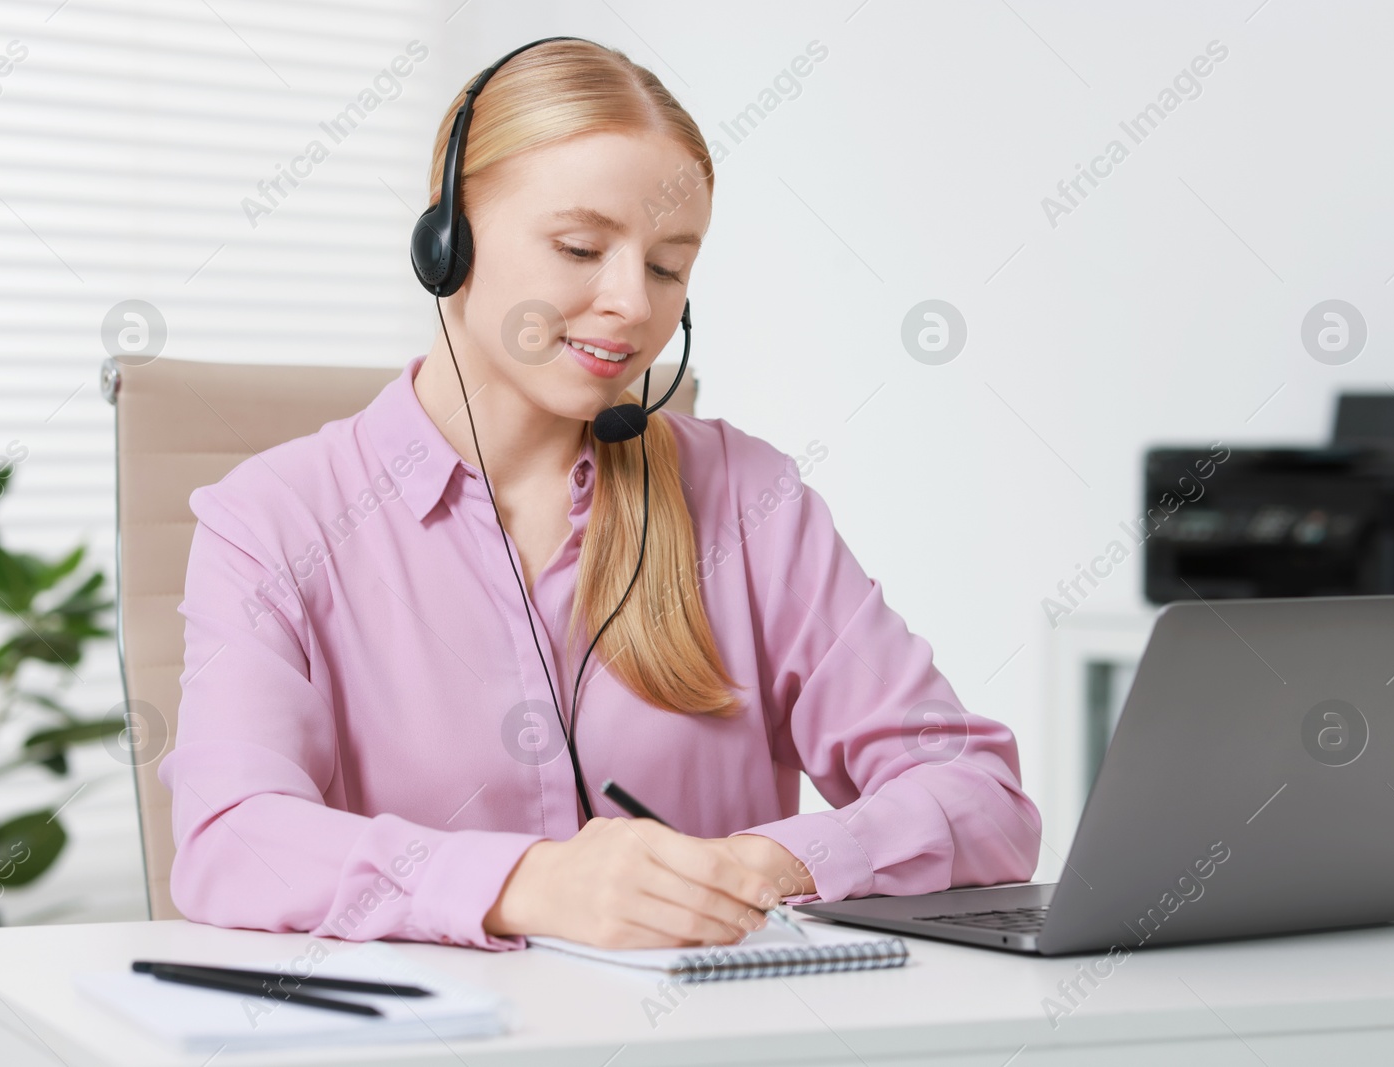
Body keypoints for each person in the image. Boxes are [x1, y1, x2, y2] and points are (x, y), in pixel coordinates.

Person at [158, 38, 1041, 954]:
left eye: (667, 267)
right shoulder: (273, 519)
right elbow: (234, 838)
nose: (631, 303)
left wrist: (763, 866)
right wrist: (529, 883)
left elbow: (978, 792)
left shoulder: (749, 500)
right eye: (581, 247)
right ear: (447, 240)